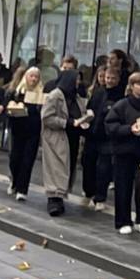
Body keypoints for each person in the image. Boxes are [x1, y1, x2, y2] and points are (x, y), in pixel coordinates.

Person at [103, 70, 140, 235]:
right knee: (123, 186)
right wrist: (128, 129)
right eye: (139, 83)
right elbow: (110, 125)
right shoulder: (122, 105)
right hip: (123, 152)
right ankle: (123, 220)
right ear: (131, 86)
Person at [39, 64, 81, 217]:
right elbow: (46, 117)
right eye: (76, 80)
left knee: (67, 166)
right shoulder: (55, 95)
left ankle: (61, 196)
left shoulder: (75, 96)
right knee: (56, 167)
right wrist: (67, 122)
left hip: (72, 137)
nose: (78, 83)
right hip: (56, 137)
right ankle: (54, 199)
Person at [81, 60, 120, 211]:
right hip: (92, 133)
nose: (109, 80)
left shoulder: (119, 95)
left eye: (112, 78)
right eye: (107, 77)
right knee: (88, 163)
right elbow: (90, 109)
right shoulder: (98, 92)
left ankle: (100, 196)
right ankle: (89, 191)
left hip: (107, 137)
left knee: (103, 168)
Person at [5, 66, 45, 202]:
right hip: (17, 129)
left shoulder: (41, 95)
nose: (33, 79)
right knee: (15, 159)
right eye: (31, 76)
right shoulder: (17, 93)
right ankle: (14, 181)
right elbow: (7, 108)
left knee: (27, 161)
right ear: (25, 77)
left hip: (33, 131)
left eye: (36, 76)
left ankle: (22, 189)